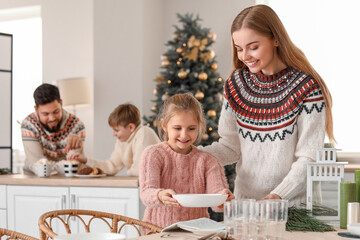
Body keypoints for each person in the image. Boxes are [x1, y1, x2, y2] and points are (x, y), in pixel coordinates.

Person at [201, 5, 335, 206]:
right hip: (246, 208)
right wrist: (191, 155)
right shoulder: (235, 85)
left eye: (253, 47)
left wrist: (278, 196)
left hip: (293, 208)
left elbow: (309, 158)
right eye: (239, 49)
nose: (245, 56)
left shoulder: (306, 88)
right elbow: (230, 147)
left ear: (276, 39)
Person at [139, 93, 234, 233]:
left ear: (199, 126)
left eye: (191, 128)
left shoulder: (208, 160)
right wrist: (160, 195)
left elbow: (217, 203)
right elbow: (146, 193)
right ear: (164, 125)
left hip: (196, 233)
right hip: (158, 231)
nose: (184, 135)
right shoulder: (153, 154)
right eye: (177, 128)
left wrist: (224, 198)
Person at [68, 103, 160, 176]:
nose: (114, 134)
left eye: (117, 130)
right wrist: (85, 160)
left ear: (131, 127)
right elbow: (111, 166)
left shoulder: (144, 133)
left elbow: (141, 170)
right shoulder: (123, 141)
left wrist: (128, 173)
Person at [21, 83, 86, 174]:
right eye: (45, 114)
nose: (52, 118)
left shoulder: (76, 125)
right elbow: (37, 164)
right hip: (34, 178)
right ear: (36, 109)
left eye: (56, 112)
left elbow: (73, 165)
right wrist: (62, 166)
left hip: (67, 179)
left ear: (61, 103)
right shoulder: (29, 125)